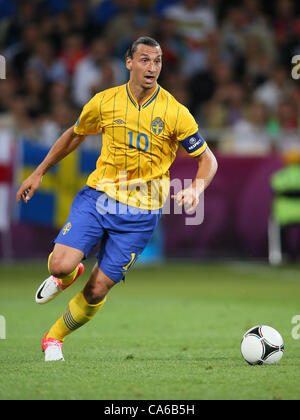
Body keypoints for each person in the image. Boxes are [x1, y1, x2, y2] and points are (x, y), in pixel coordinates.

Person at [16, 36, 218, 362]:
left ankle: (53, 338)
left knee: (97, 290)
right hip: (100, 197)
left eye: (157, 61)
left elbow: (208, 160)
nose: (152, 68)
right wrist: (39, 171)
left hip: (142, 213)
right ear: (128, 62)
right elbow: (75, 134)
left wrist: (195, 189)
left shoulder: (175, 112)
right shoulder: (104, 102)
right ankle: (67, 275)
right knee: (60, 264)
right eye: (144, 60)